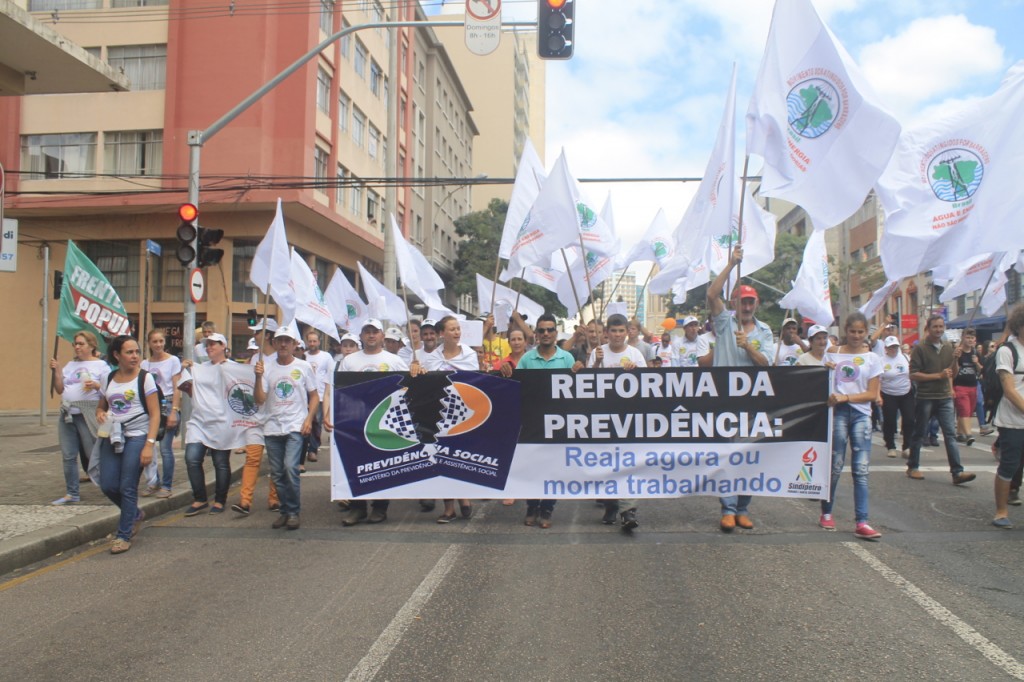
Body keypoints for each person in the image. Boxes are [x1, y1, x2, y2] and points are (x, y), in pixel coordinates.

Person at [707, 246, 774, 532]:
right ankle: (728, 508)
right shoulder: (724, 322)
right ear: (734, 302)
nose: (746, 307)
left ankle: (744, 507)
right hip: (723, 399)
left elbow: (766, 364)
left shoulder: (765, 331)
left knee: (749, 454)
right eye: (742, 302)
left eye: (750, 302)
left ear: (756, 304)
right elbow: (712, 294)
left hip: (752, 401)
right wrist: (730, 264)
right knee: (726, 454)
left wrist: (747, 346)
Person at [507, 313, 583, 527]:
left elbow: (575, 391)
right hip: (532, 421)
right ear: (536, 334)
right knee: (531, 466)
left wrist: (580, 372)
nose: (546, 333)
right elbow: (517, 386)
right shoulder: (527, 359)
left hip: (558, 422)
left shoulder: (566, 358)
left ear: (556, 333)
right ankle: (532, 506)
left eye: (550, 330)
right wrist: (506, 373)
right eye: (542, 330)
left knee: (553, 467)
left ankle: (547, 509)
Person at [338, 319, 413, 524]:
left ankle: (380, 507)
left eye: (375, 332)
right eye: (367, 331)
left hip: (385, 420)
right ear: (361, 336)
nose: (371, 335)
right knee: (356, 463)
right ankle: (357, 507)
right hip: (355, 419)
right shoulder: (349, 361)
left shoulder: (394, 360)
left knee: (382, 463)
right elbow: (339, 390)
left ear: (382, 336)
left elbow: (407, 387)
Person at [95, 335, 160, 554]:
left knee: (127, 486)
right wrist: (101, 414)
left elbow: (155, 414)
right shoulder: (109, 377)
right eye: (129, 352)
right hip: (112, 435)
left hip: (138, 436)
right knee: (108, 485)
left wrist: (149, 444)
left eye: (137, 352)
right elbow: (101, 406)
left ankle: (123, 535)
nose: (134, 356)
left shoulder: (145, 378)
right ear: (116, 355)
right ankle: (134, 514)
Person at [820, 313, 883, 538]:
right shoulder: (832, 354)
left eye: (860, 332)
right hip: (836, 414)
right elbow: (820, 386)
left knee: (861, 469)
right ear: (845, 331)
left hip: (861, 415)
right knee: (835, 465)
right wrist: (824, 371)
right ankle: (826, 512)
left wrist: (846, 398)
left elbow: (872, 393)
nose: (856, 336)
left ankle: (862, 521)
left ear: (866, 332)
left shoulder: (873, 359)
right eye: (852, 331)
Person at [254, 324, 320, 531]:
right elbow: (260, 399)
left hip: (295, 426)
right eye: (280, 340)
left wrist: (309, 419)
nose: (283, 344)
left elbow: (314, 395)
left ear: (294, 344)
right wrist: (257, 377)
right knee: (277, 473)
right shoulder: (266, 366)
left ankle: (293, 511)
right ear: (273, 343)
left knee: (291, 468)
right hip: (272, 427)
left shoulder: (303, 367)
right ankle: (284, 511)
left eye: (287, 341)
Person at [587, 314, 647, 531]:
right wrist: (597, 364)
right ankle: (611, 504)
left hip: (629, 417)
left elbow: (647, 385)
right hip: (603, 416)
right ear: (607, 333)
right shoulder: (597, 352)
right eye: (614, 331)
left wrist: (636, 371)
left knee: (629, 462)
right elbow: (588, 383)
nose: (618, 335)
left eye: (622, 331)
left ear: (627, 332)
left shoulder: (635, 354)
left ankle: (628, 510)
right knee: (607, 463)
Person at [906, 315, 977, 485]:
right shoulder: (920, 348)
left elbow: (953, 372)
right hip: (926, 397)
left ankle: (957, 472)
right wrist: (937, 375)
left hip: (944, 396)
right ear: (928, 328)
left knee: (950, 435)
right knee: (920, 432)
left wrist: (956, 359)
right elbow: (913, 374)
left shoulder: (948, 347)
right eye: (935, 326)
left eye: (941, 326)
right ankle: (913, 466)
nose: (938, 330)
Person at [424, 316, 479, 523]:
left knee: (460, 457)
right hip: (439, 415)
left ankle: (464, 496)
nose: (457, 332)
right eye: (452, 329)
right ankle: (448, 508)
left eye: (458, 329)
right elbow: (426, 383)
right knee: (441, 458)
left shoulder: (469, 355)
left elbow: (476, 383)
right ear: (441, 334)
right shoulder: (432, 358)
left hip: (464, 414)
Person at [49, 331, 110, 505]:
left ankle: (108, 486)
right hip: (68, 413)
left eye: (81, 344)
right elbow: (60, 389)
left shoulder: (101, 366)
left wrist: (96, 385)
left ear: (91, 346)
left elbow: (108, 390)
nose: (77, 347)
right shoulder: (70, 365)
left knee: (93, 453)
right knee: (68, 455)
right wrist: (57, 371)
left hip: (88, 413)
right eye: (75, 343)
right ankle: (72, 493)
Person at [232, 318, 280, 515]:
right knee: (252, 459)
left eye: (257, 332)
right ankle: (245, 501)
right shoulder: (254, 359)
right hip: (255, 418)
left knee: (276, 462)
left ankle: (274, 498)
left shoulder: (280, 359)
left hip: (275, 418)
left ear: (268, 335)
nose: (254, 335)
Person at [183, 333, 233, 516]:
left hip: (221, 422)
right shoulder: (199, 368)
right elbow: (191, 391)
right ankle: (200, 498)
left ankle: (220, 500)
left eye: (213, 344)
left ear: (223, 346)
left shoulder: (233, 368)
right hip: (199, 421)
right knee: (191, 458)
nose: (209, 347)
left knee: (220, 462)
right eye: (207, 344)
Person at [139, 329, 182, 499]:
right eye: (154, 341)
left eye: (161, 341)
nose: (158, 345)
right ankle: (153, 481)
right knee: (148, 446)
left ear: (165, 342)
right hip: (150, 405)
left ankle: (166, 485)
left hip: (167, 403)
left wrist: (174, 411)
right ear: (149, 343)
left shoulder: (173, 361)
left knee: (165, 448)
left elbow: (177, 386)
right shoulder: (144, 364)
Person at [992, 304, 1024, 528]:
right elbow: (1009, 389)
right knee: (1009, 466)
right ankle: (1001, 512)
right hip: (1012, 421)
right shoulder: (1007, 351)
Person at [877, 335, 915, 459]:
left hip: (906, 392)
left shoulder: (905, 357)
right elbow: (877, 380)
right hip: (888, 394)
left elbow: (912, 373)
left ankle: (907, 446)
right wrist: (878, 396)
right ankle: (891, 445)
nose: (893, 349)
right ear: (886, 348)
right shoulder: (881, 361)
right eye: (890, 347)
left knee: (909, 419)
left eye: (895, 347)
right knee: (890, 421)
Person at [303, 329, 335, 466]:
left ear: (319, 341)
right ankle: (304, 448)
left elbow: (330, 374)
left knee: (316, 423)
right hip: (305, 394)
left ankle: (313, 449)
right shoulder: (303, 356)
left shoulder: (326, 356)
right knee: (305, 421)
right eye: (309, 341)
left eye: (314, 341)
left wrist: (328, 392)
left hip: (321, 395)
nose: (312, 343)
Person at [953, 328, 982, 445]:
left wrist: (976, 363)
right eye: (967, 337)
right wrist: (955, 358)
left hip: (973, 386)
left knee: (968, 412)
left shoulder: (975, 353)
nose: (970, 340)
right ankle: (969, 435)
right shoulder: (958, 352)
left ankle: (960, 433)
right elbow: (953, 370)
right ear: (963, 338)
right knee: (964, 410)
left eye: (972, 338)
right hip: (960, 386)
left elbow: (981, 370)